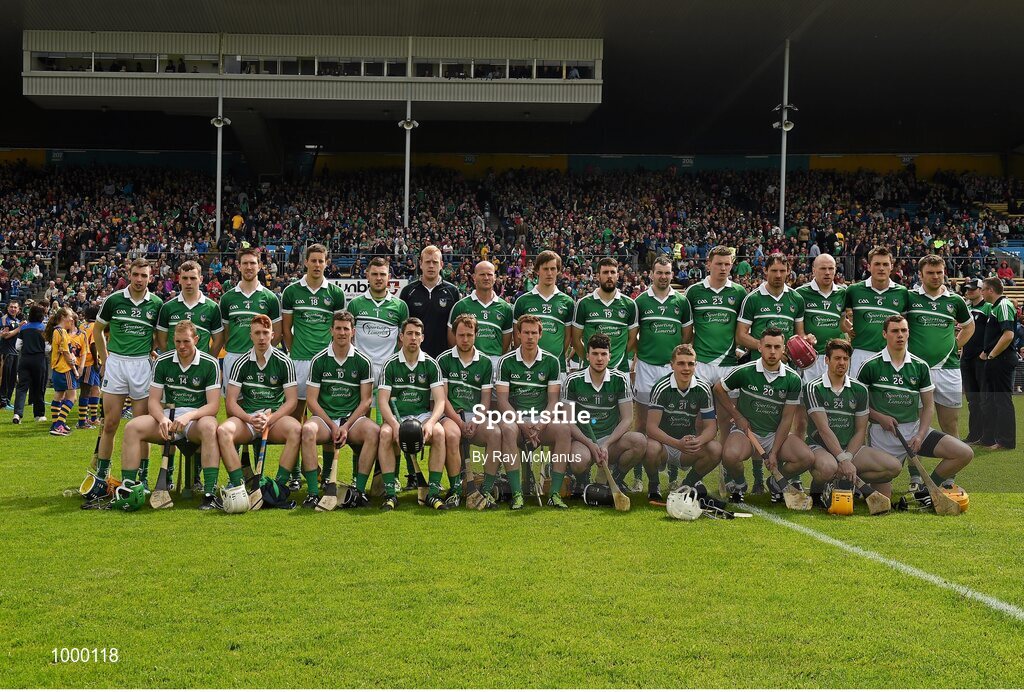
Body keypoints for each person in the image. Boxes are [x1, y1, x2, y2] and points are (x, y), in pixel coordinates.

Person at [857, 315, 974, 497]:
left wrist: (920, 435)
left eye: (904, 330)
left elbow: (928, 406)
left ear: (909, 333)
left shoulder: (920, 366)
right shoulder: (870, 365)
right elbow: (859, 406)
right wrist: (880, 417)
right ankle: (852, 483)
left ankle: (927, 490)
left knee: (964, 452)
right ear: (884, 334)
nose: (900, 335)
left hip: (913, 432)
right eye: (895, 331)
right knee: (883, 499)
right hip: (882, 436)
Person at [122, 321, 222, 509]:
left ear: (197, 340)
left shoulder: (210, 364)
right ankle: (127, 489)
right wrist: (162, 419)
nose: (181, 346)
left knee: (210, 426)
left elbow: (214, 406)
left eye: (186, 341)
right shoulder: (163, 361)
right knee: (132, 427)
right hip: (169, 416)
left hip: (196, 419)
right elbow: (153, 401)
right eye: (177, 341)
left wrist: (188, 416)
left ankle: (209, 494)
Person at [714, 327, 813, 504]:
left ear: (784, 349)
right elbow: (719, 389)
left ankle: (775, 483)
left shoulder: (792, 379)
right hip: (747, 433)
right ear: (759, 347)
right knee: (729, 455)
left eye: (777, 347)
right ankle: (740, 484)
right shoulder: (745, 371)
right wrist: (737, 416)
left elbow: (786, 419)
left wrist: (774, 452)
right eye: (768, 346)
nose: (772, 351)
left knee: (806, 458)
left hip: (775, 434)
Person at [217, 315, 304, 506]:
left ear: (273, 335)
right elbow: (231, 403)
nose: (262, 337)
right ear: (251, 336)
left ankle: (277, 487)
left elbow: (291, 402)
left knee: (296, 430)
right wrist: (250, 418)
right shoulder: (240, 363)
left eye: (265, 333)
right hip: (248, 418)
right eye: (257, 333)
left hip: (274, 419)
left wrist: (270, 418)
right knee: (223, 431)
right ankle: (239, 487)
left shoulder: (284, 361)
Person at [803, 338, 901, 503]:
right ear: (827, 360)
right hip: (821, 447)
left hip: (851, 449)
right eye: (837, 358)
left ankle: (845, 481)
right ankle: (818, 489)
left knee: (894, 467)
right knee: (828, 468)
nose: (842, 362)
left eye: (845, 359)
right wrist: (842, 459)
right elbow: (823, 430)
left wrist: (847, 457)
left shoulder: (860, 389)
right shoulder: (813, 387)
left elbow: (860, 430)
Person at [571, 257, 640, 489]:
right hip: (588, 372)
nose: (609, 276)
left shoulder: (629, 305)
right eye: (605, 272)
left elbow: (632, 340)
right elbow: (576, 338)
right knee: (586, 415)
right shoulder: (584, 304)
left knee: (624, 424)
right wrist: (588, 360)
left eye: (613, 272)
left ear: (618, 275)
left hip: (617, 370)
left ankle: (614, 478)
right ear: (597, 276)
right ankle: (581, 479)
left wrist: (616, 361)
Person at [94, 259, 164, 484]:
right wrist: (105, 360)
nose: (139, 279)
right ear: (129, 274)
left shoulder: (156, 303)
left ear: (150, 278)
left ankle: (141, 478)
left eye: (144, 276)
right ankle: (102, 475)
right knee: (110, 423)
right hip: (116, 364)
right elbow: (98, 331)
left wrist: (149, 350)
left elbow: (158, 337)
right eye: (136, 274)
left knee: (141, 424)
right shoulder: (113, 300)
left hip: (142, 366)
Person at [300, 310, 379, 507]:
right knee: (308, 429)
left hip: (352, 421)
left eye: (346, 329)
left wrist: (345, 426)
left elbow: (366, 401)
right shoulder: (319, 360)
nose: (342, 333)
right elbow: (312, 401)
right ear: (331, 331)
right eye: (338, 328)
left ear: (353, 332)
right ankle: (312, 492)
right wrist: (332, 425)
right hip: (325, 419)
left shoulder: (363, 361)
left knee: (374, 431)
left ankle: (359, 491)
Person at [494, 315, 570, 510]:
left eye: (533, 333)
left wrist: (541, 424)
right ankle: (517, 493)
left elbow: (553, 401)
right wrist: (522, 424)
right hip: (516, 420)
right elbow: (502, 400)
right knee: (508, 430)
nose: (529, 337)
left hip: (541, 421)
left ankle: (553, 493)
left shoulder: (552, 361)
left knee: (563, 430)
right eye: (525, 332)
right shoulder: (506, 361)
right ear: (518, 334)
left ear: (540, 334)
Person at [563, 334, 647, 502]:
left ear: (610, 356)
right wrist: (590, 444)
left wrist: (607, 444)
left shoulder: (620, 379)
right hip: (583, 441)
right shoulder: (572, 380)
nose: (599, 358)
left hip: (611, 441)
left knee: (639, 441)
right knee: (580, 460)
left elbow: (627, 419)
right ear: (587, 356)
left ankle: (615, 478)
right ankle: (582, 481)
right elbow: (568, 421)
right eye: (595, 354)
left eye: (603, 354)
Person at [632, 255, 693, 489]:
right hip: (647, 367)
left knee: (671, 424)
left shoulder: (681, 301)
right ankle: (638, 478)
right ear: (651, 274)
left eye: (668, 273)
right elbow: (634, 337)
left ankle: (673, 478)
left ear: (672, 274)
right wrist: (645, 354)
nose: (664, 277)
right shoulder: (640, 302)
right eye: (659, 272)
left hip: (671, 370)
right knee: (642, 423)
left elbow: (687, 336)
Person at [376, 317, 447, 511]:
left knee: (440, 433)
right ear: (401, 337)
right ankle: (390, 494)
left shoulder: (431, 364)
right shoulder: (390, 364)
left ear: (422, 338)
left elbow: (440, 400)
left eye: (417, 334)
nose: (413, 338)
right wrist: (395, 425)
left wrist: (431, 422)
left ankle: (432, 493)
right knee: (384, 434)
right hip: (397, 417)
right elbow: (382, 400)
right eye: (409, 334)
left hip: (422, 415)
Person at [906, 255, 973, 439]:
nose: (935, 276)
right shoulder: (909, 297)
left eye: (939, 272)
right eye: (930, 273)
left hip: (948, 369)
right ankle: (914, 466)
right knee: (916, 425)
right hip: (916, 369)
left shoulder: (955, 300)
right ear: (920, 275)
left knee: (950, 424)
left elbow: (969, 326)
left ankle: (954, 464)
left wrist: (955, 345)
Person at [438, 314, 501, 508]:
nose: (465, 340)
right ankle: (456, 489)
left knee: (495, 433)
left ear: (476, 335)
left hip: (476, 416)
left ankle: (486, 490)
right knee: (452, 434)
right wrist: (459, 422)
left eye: (469, 335)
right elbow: (443, 398)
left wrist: (476, 420)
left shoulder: (484, 362)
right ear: (454, 335)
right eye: (461, 335)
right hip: (451, 415)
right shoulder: (444, 360)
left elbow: (485, 399)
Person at [644, 344, 722, 497]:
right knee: (649, 447)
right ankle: (654, 485)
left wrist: (698, 441)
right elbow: (651, 428)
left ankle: (688, 484)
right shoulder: (661, 387)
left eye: (690, 363)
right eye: (681, 363)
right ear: (672, 365)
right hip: (664, 446)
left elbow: (711, 427)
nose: (686, 368)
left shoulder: (703, 388)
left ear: (696, 365)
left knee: (715, 449)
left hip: (687, 447)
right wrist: (677, 443)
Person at [281, 243, 347, 415]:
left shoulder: (336, 293)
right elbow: (286, 329)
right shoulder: (291, 291)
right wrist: (294, 350)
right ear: (306, 262)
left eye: (321, 261)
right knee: (296, 416)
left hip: (325, 361)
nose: (317, 265)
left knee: (326, 416)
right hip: (299, 361)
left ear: (327, 263)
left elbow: (338, 329)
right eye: (313, 261)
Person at [219, 247, 282, 391]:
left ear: (259, 266)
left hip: (262, 360)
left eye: (253, 263)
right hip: (234, 357)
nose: (249, 267)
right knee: (232, 407)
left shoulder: (270, 298)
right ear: (238, 266)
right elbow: (225, 333)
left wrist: (261, 351)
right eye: (245, 263)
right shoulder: (227, 298)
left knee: (261, 405)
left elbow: (277, 334)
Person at [842, 246, 910, 377]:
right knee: (859, 396)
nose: (881, 268)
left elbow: (906, 325)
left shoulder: (902, 292)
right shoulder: (854, 290)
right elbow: (840, 315)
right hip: (861, 353)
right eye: (877, 264)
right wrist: (846, 328)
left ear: (891, 267)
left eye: (885, 264)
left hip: (892, 354)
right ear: (868, 266)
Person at [512, 251, 575, 380]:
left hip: (557, 367)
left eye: (553, 269)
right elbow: (517, 337)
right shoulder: (522, 301)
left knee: (557, 401)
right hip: (527, 367)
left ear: (558, 271)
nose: (549, 273)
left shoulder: (568, 302)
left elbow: (567, 337)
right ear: (537, 270)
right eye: (545, 269)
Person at [448, 260, 513, 373]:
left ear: (495, 277)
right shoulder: (461, 305)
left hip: (494, 362)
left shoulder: (505, 308)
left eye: (489, 274)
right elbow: (452, 337)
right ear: (474, 277)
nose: (486, 278)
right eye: (482, 274)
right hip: (466, 361)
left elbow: (506, 342)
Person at [399, 245, 461, 359]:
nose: (431, 266)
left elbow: (456, 328)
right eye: (427, 262)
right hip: (414, 358)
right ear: (420, 264)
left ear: (441, 265)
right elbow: (402, 328)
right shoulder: (408, 291)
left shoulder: (453, 292)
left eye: (435, 262)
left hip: (444, 358)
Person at [794, 254, 847, 386]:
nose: (827, 273)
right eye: (823, 268)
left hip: (835, 357)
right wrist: (805, 338)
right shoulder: (800, 293)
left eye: (831, 268)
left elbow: (843, 322)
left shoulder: (843, 293)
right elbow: (797, 329)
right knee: (808, 400)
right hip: (811, 358)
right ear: (813, 270)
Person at [979, 278, 1017, 450]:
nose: (981, 292)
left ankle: (1006, 441)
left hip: (1001, 360)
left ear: (991, 290)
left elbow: (1008, 334)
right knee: (992, 401)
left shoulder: (1003, 305)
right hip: (995, 359)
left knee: (1002, 401)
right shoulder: (994, 308)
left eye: (983, 289)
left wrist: (992, 355)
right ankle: (993, 438)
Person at [155, 260, 224, 356]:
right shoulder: (167, 307)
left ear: (201, 279)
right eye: (185, 278)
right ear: (179, 279)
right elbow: (161, 339)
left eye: (193, 278)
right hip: (174, 368)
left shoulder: (212, 307)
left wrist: (208, 362)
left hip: (201, 368)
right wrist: (170, 360)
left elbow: (219, 340)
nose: (188, 282)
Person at [959, 279, 989, 444]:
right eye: (967, 289)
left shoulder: (988, 307)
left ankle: (986, 435)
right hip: (967, 359)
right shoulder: (967, 309)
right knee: (972, 400)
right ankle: (974, 435)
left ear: (981, 289)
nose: (969, 291)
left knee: (984, 399)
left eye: (972, 289)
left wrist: (986, 353)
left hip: (981, 359)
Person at [45, 307, 81, 436]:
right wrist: (75, 370)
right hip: (64, 369)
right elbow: (66, 353)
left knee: (59, 396)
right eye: (70, 316)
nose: (72, 319)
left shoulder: (57, 331)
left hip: (57, 369)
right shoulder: (61, 332)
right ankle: (59, 424)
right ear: (63, 317)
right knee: (72, 397)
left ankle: (56, 424)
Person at [12, 304, 47, 424]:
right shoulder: (43, 328)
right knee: (39, 387)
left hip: (25, 359)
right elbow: (47, 348)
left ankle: (17, 414)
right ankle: (39, 414)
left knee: (21, 387)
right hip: (39, 360)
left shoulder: (24, 328)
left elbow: (17, 346)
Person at [78, 306, 102, 428]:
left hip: (88, 360)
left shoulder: (82, 325)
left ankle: (93, 418)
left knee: (95, 389)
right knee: (86, 391)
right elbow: (93, 345)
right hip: (89, 361)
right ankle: (82, 421)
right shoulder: (95, 326)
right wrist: (97, 363)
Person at [1, 300, 22, 408]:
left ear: (18, 309)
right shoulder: (5, 319)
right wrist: (19, 328)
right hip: (6, 352)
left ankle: (8, 400)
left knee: (13, 378)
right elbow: (4, 335)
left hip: (15, 352)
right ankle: (3, 401)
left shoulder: (17, 320)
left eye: (15, 307)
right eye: (11, 307)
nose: (13, 309)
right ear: (8, 308)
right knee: (5, 376)